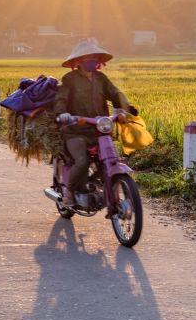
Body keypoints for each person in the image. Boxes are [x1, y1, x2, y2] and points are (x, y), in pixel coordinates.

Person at [52, 37, 135, 209]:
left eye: (95, 58)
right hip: (75, 130)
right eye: (88, 58)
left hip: (100, 129)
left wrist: (126, 107)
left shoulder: (101, 78)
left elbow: (115, 93)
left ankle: (106, 189)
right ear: (79, 61)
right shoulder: (70, 79)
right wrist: (63, 114)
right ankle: (68, 192)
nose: (93, 61)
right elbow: (61, 97)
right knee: (82, 160)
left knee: (110, 159)